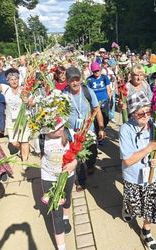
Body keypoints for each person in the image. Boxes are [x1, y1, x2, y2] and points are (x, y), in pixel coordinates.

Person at [119, 92, 156, 250]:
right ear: (132, 113)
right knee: (134, 204)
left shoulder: (155, 124)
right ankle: (128, 206)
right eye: (141, 113)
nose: (146, 115)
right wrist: (149, 148)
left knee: (151, 205)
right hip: (134, 177)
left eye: (148, 111)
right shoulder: (126, 129)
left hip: (154, 175)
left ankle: (146, 231)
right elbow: (128, 160)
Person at [65, 66, 105, 191]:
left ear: (81, 79)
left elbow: (96, 109)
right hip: (73, 132)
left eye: (77, 79)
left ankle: (91, 164)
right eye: (72, 80)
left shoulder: (88, 92)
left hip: (89, 131)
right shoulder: (63, 95)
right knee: (77, 157)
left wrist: (101, 128)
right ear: (67, 81)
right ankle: (80, 181)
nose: (75, 83)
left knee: (91, 154)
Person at [40, 119, 77, 250]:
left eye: (62, 125)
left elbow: (77, 154)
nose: (60, 128)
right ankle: (61, 247)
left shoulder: (69, 134)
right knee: (56, 212)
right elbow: (41, 156)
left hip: (67, 176)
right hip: (49, 177)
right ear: (46, 128)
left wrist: (74, 163)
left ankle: (66, 217)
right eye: (56, 127)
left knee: (67, 199)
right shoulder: (41, 138)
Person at [0, 68, 30, 163]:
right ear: (8, 81)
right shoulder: (5, 88)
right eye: (11, 79)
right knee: (14, 142)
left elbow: (32, 102)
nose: (14, 81)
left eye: (16, 79)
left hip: (24, 119)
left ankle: (25, 161)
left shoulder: (24, 89)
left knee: (24, 141)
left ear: (19, 79)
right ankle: (22, 150)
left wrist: (28, 102)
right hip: (11, 121)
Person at [87, 62, 111, 142]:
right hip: (95, 102)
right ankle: (99, 134)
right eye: (94, 71)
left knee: (106, 117)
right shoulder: (89, 80)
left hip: (104, 100)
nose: (96, 72)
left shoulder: (104, 78)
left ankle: (103, 128)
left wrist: (109, 97)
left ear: (100, 70)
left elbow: (108, 88)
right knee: (97, 119)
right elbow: (88, 91)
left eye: (97, 70)